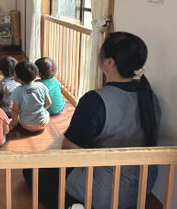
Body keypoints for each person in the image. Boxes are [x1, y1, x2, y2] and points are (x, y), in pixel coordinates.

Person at [23, 32, 161, 209]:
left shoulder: (95, 100)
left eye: (100, 51)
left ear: (110, 62)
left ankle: (73, 205)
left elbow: (70, 151)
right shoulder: (149, 96)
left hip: (104, 193)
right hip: (141, 188)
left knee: (32, 171)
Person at [10, 61, 51, 132]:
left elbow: (15, 111)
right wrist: (38, 110)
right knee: (46, 113)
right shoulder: (41, 86)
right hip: (43, 123)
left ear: (18, 78)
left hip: (27, 125)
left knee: (18, 116)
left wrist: (13, 124)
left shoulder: (17, 91)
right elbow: (49, 103)